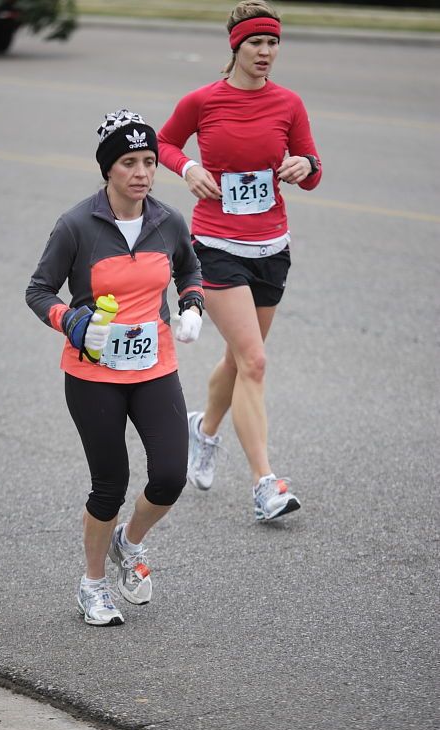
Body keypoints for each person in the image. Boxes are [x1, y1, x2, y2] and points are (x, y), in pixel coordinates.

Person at [26, 109, 204, 626]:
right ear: (108, 169)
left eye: (149, 161)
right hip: (93, 375)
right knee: (110, 483)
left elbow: (189, 266)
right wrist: (73, 323)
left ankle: (131, 541)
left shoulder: (167, 220)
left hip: (155, 366)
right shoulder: (76, 225)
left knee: (170, 475)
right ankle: (93, 584)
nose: (143, 172)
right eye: (129, 162)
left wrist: (191, 303)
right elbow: (38, 291)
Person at [158, 0, 322, 522]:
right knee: (254, 361)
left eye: (274, 43)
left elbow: (314, 169)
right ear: (236, 46)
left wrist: (304, 164)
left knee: (236, 360)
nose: (267, 52)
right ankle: (265, 484)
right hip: (216, 246)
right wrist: (187, 168)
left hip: (272, 248)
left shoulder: (289, 103)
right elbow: (163, 142)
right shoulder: (203, 101)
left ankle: (203, 430)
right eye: (257, 43)